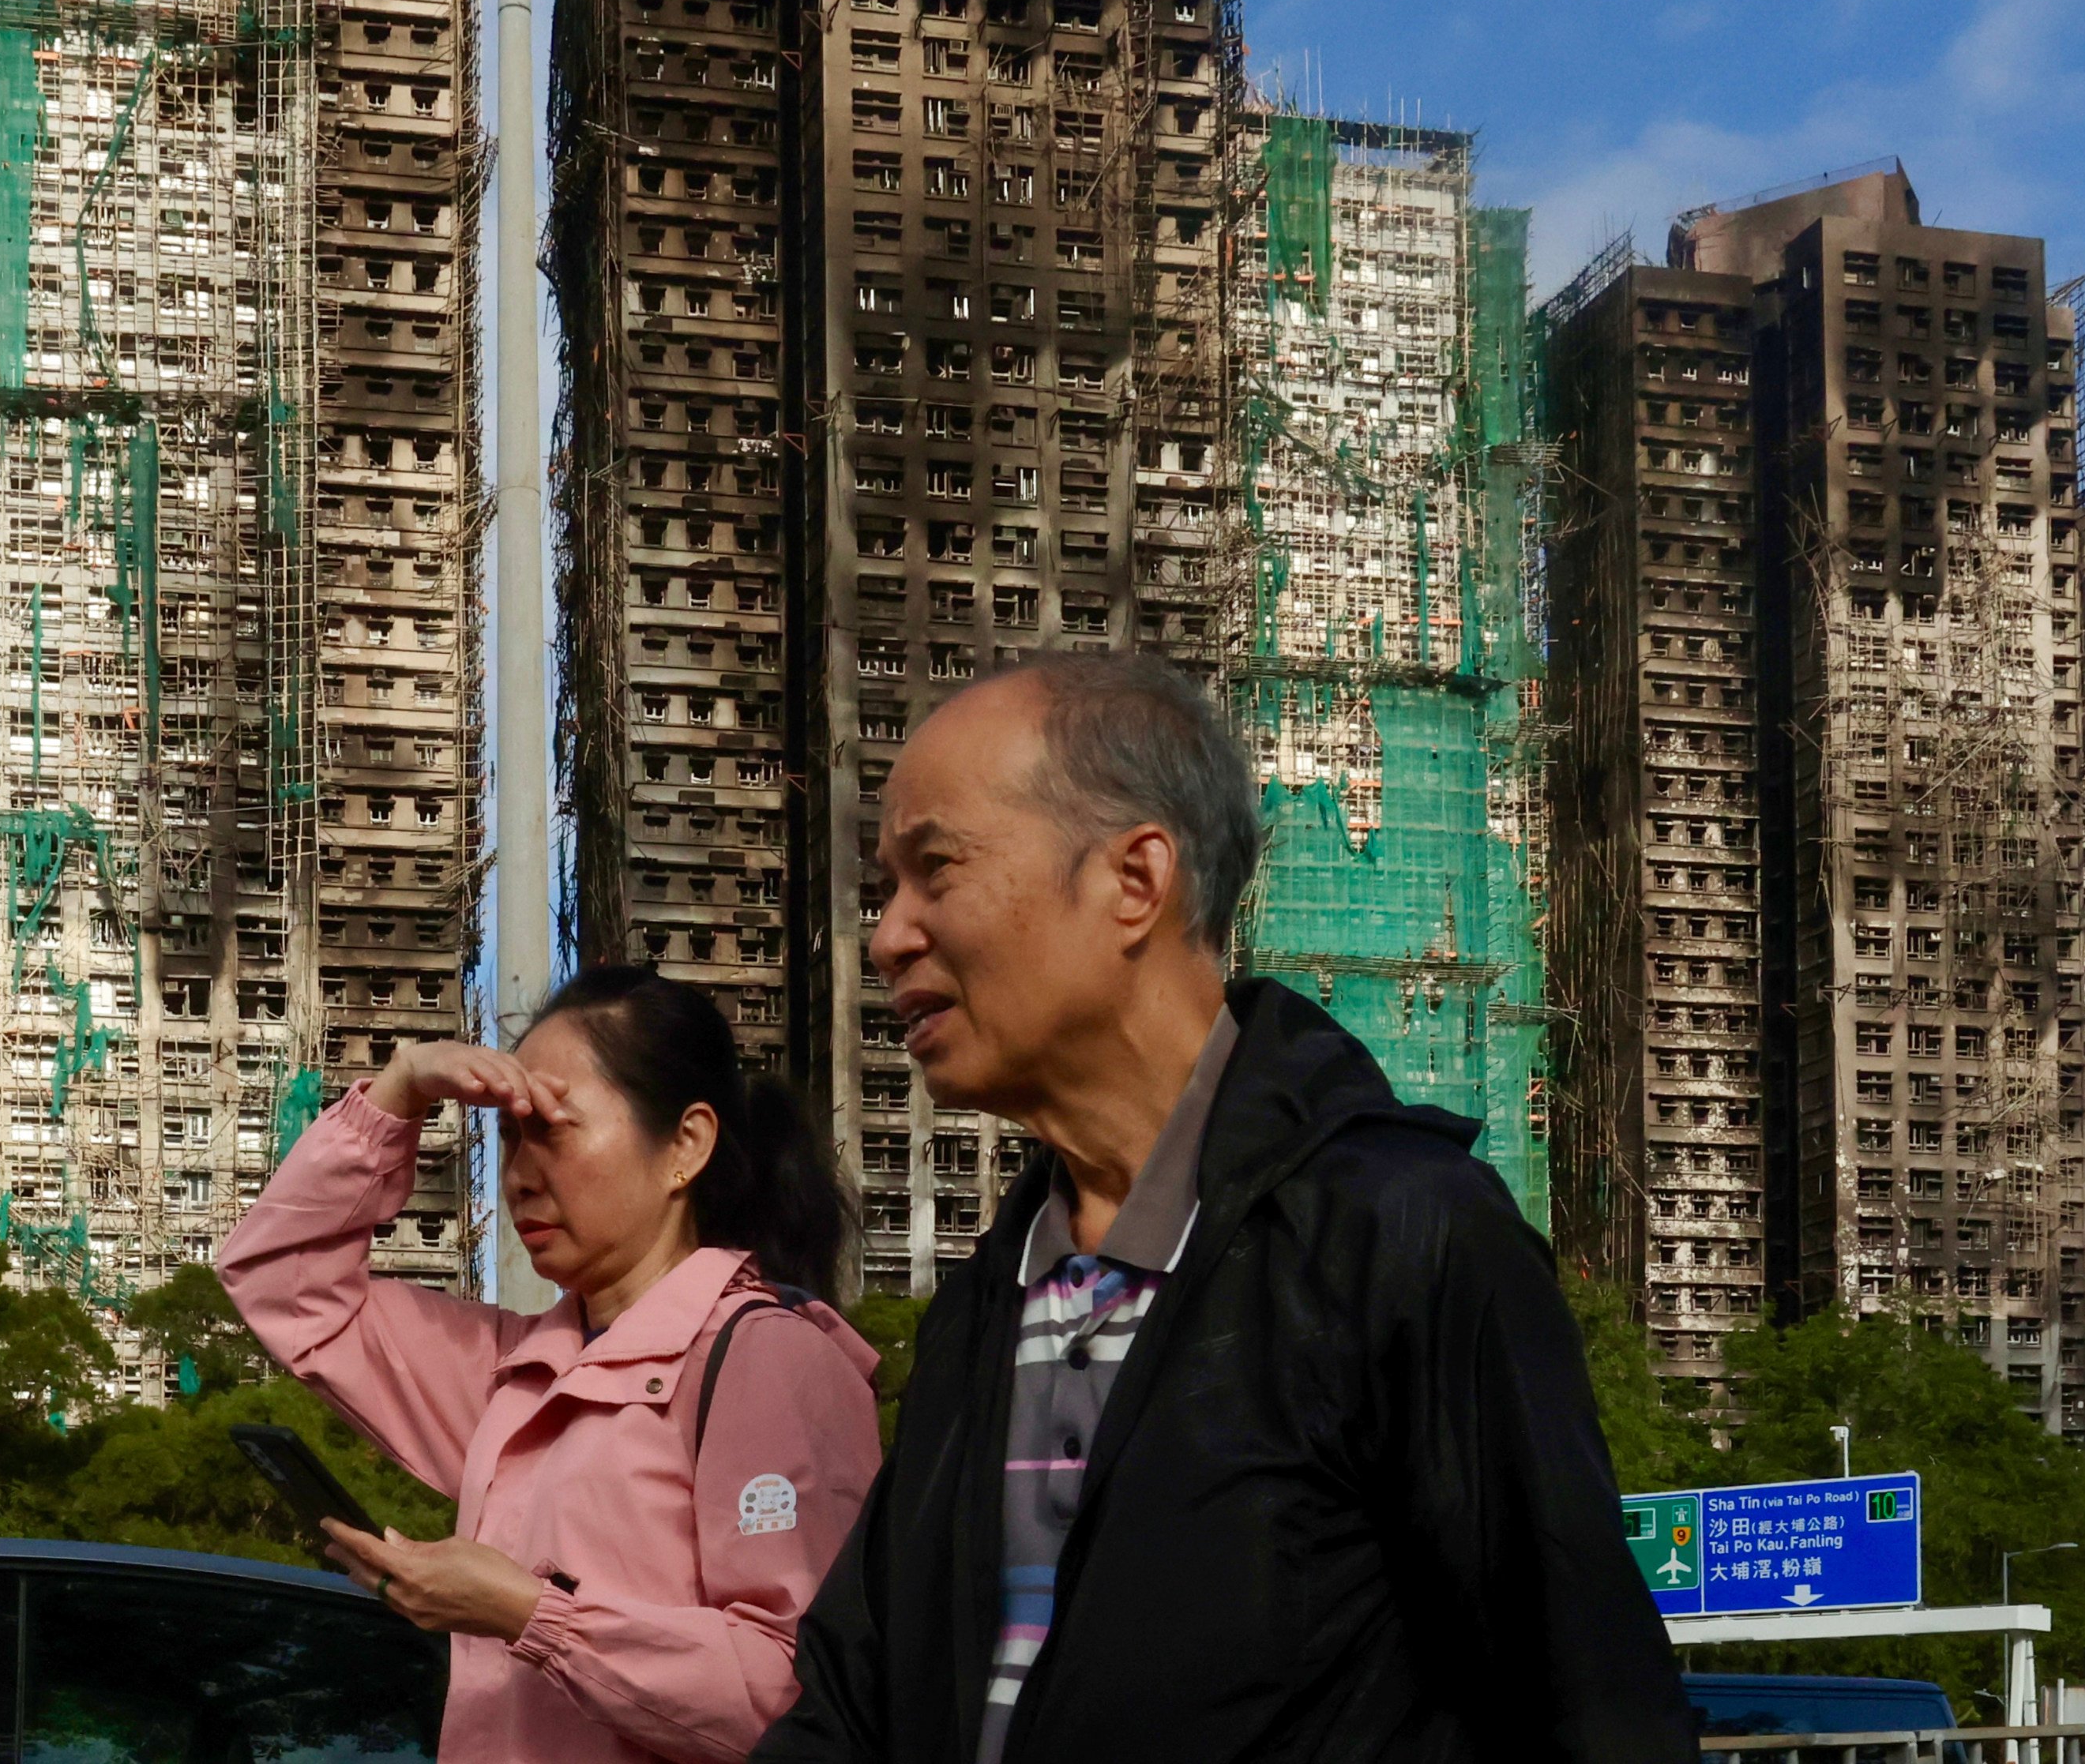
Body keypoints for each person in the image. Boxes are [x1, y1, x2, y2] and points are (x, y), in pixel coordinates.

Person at [754, 652, 1694, 1764]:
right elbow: (850, 1709)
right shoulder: (985, 1303)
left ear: (1134, 881)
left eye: (934, 870)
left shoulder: (1401, 1237)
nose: (889, 935)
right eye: (885, 890)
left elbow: (1590, 1706)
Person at [223, 966, 883, 1764]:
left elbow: (799, 1694)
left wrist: (529, 1613)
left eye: (553, 1130)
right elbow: (280, 1278)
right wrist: (396, 1093)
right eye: (509, 1137)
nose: (521, 1175)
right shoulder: (516, 1368)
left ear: (686, 1145)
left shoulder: (770, 1358)